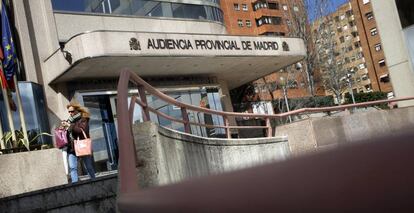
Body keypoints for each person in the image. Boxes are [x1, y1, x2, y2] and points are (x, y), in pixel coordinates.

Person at [61, 102, 96, 183]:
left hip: (82, 145)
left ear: (76, 110)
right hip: (72, 148)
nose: (70, 113)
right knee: (73, 168)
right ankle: (75, 185)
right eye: (69, 111)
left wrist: (70, 126)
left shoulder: (84, 119)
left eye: (72, 111)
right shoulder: (69, 121)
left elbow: (81, 131)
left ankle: (94, 182)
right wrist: (63, 127)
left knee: (88, 167)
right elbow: (67, 134)